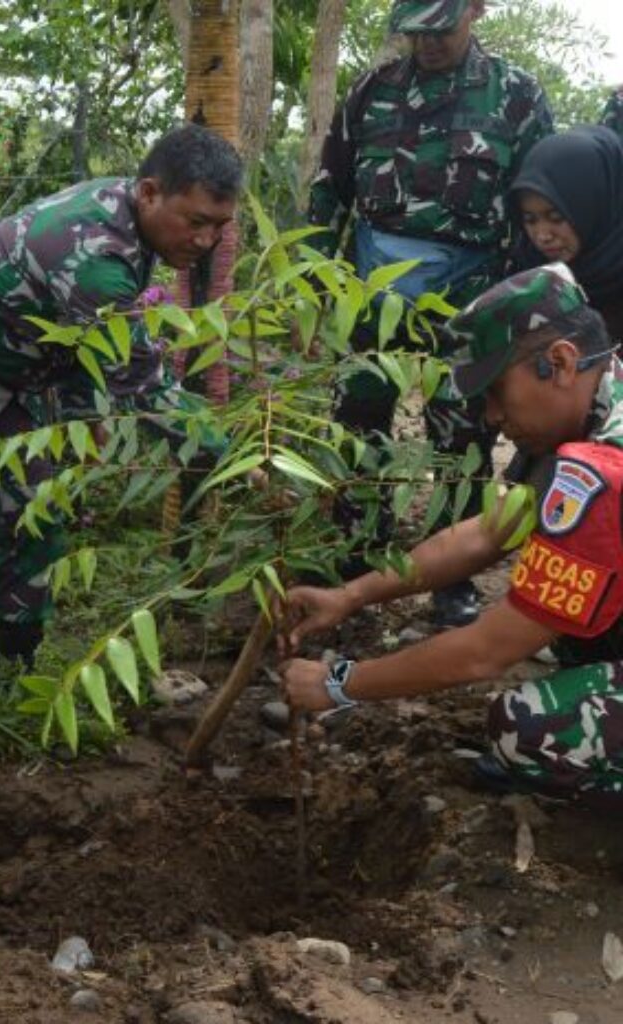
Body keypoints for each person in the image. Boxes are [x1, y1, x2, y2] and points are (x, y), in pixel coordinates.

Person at [0, 123, 242, 754]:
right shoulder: (88, 250)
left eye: (218, 228)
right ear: (149, 192)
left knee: (33, 519)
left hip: (20, 377)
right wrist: (242, 458)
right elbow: (141, 386)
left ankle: (12, 681)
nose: (205, 241)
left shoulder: (137, 225)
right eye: (196, 221)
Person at [281, 263, 623, 811]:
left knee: (526, 730)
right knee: (574, 633)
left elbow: (485, 653)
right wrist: (349, 596)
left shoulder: (603, 468)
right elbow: (487, 533)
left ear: (557, 362)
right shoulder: (598, 399)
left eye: (495, 392)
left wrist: (340, 683)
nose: (490, 417)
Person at [307, 0, 554, 628]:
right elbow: (328, 189)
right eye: (416, 31)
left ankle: (450, 575)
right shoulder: (372, 91)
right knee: (359, 419)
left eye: (442, 27)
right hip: (372, 289)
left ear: (475, 11)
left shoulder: (515, 95)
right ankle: (359, 552)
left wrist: (524, 301)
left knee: (464, 429)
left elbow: (536, 203)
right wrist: (313, 286)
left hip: (471, 290)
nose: (429, 43)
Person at [510, 125, 623, 339]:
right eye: (530, 220)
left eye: (556, 218)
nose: (543, 236)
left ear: (597, 206)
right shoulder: (526, 273)